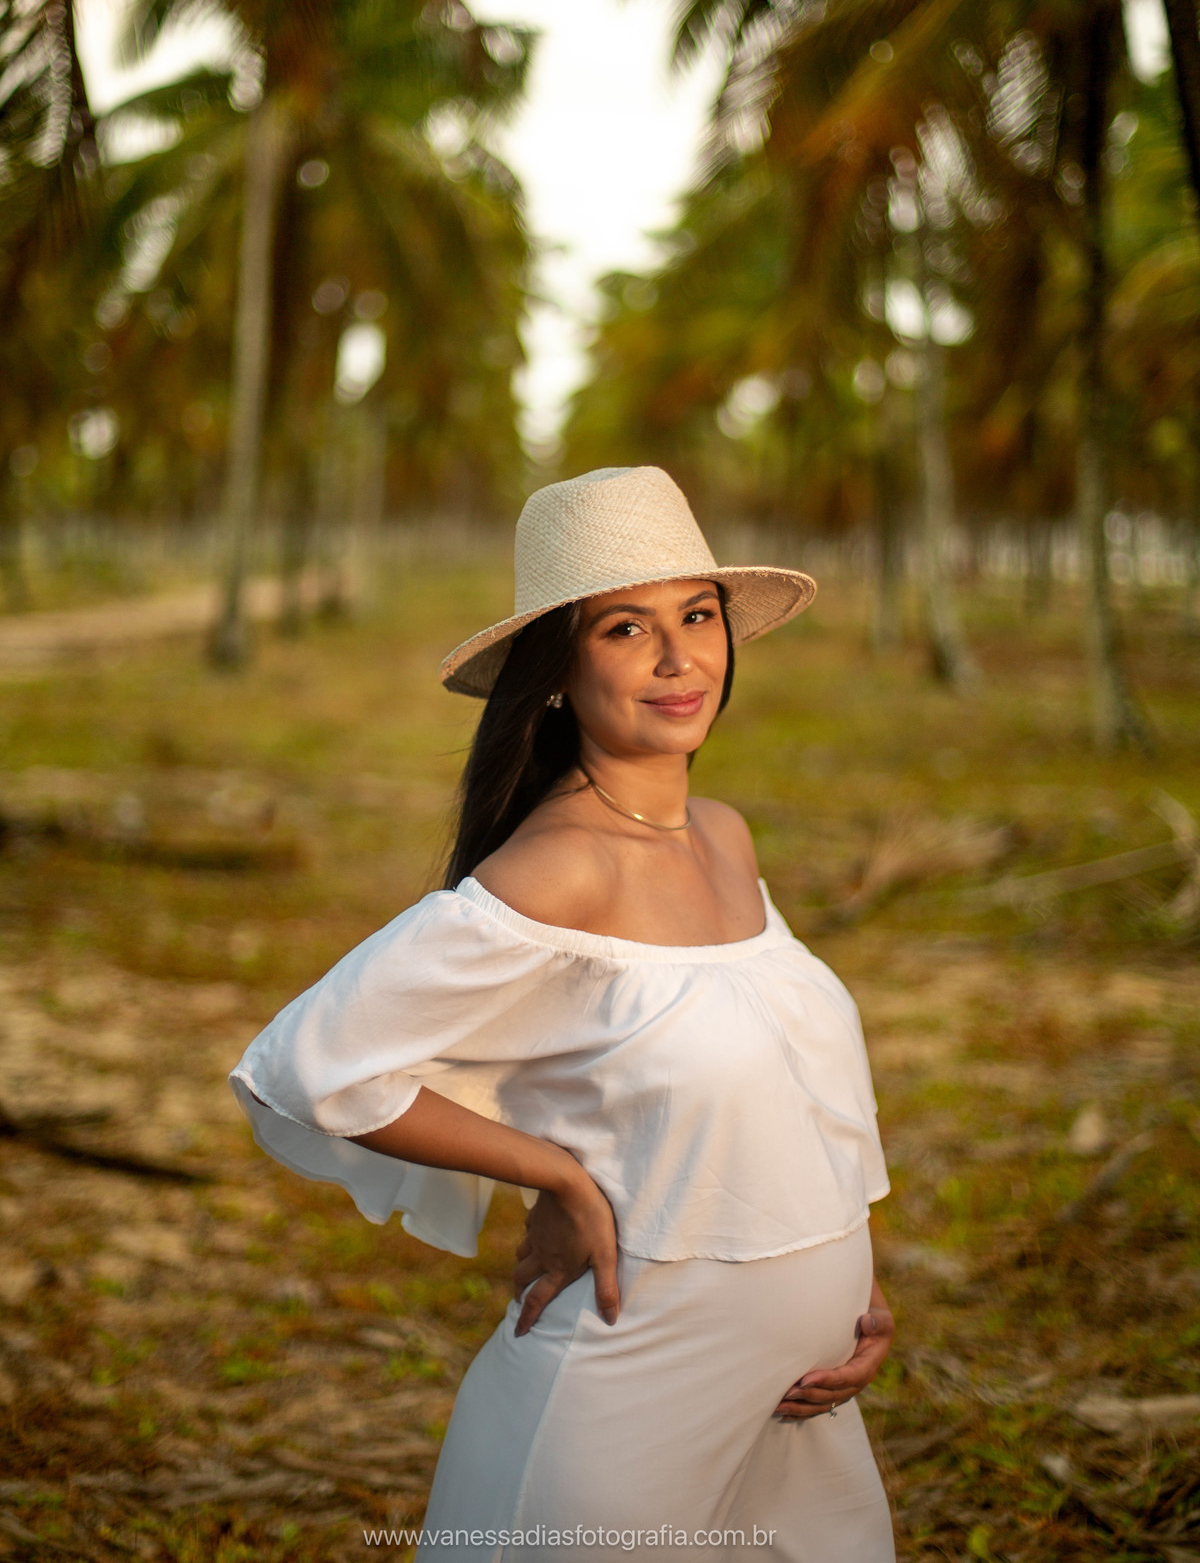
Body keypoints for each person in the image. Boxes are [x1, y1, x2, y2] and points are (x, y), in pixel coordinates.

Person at [230, 465, 896, 1562]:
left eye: (697, 615)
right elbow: (308, 1065)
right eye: (626, 629)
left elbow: (785, 1086)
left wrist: (853, 1282)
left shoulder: (723, 835)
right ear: (554, 671)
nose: (681, 659)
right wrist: (557, 1172)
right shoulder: (559, 871)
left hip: (801, 1406)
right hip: (633, 1397)